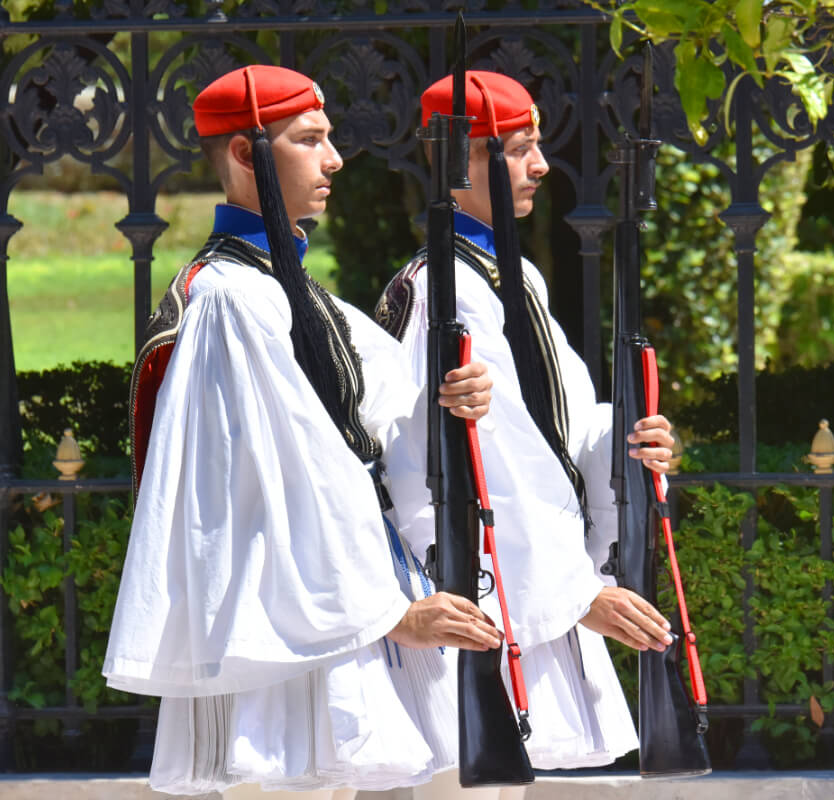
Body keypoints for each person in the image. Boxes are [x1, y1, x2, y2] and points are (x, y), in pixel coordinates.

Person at [103, 65, 502, 800]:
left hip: (321, 621)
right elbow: (300, 475)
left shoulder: (283, 290)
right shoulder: (233, 297)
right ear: (245, 155)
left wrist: (457, 397)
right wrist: (391, 612)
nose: (334, 159)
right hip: (285, 641)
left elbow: (385, 408)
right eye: (309, 139)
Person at [374, 70, 677, 798]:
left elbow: (559, 432)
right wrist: (579, 593)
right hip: (473, 598)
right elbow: (453, 474)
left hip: (516, 597)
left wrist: (633, 444)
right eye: (519, 148)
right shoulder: (440, 289)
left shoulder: (512, 279)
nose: (541, 165)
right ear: (461, 162)